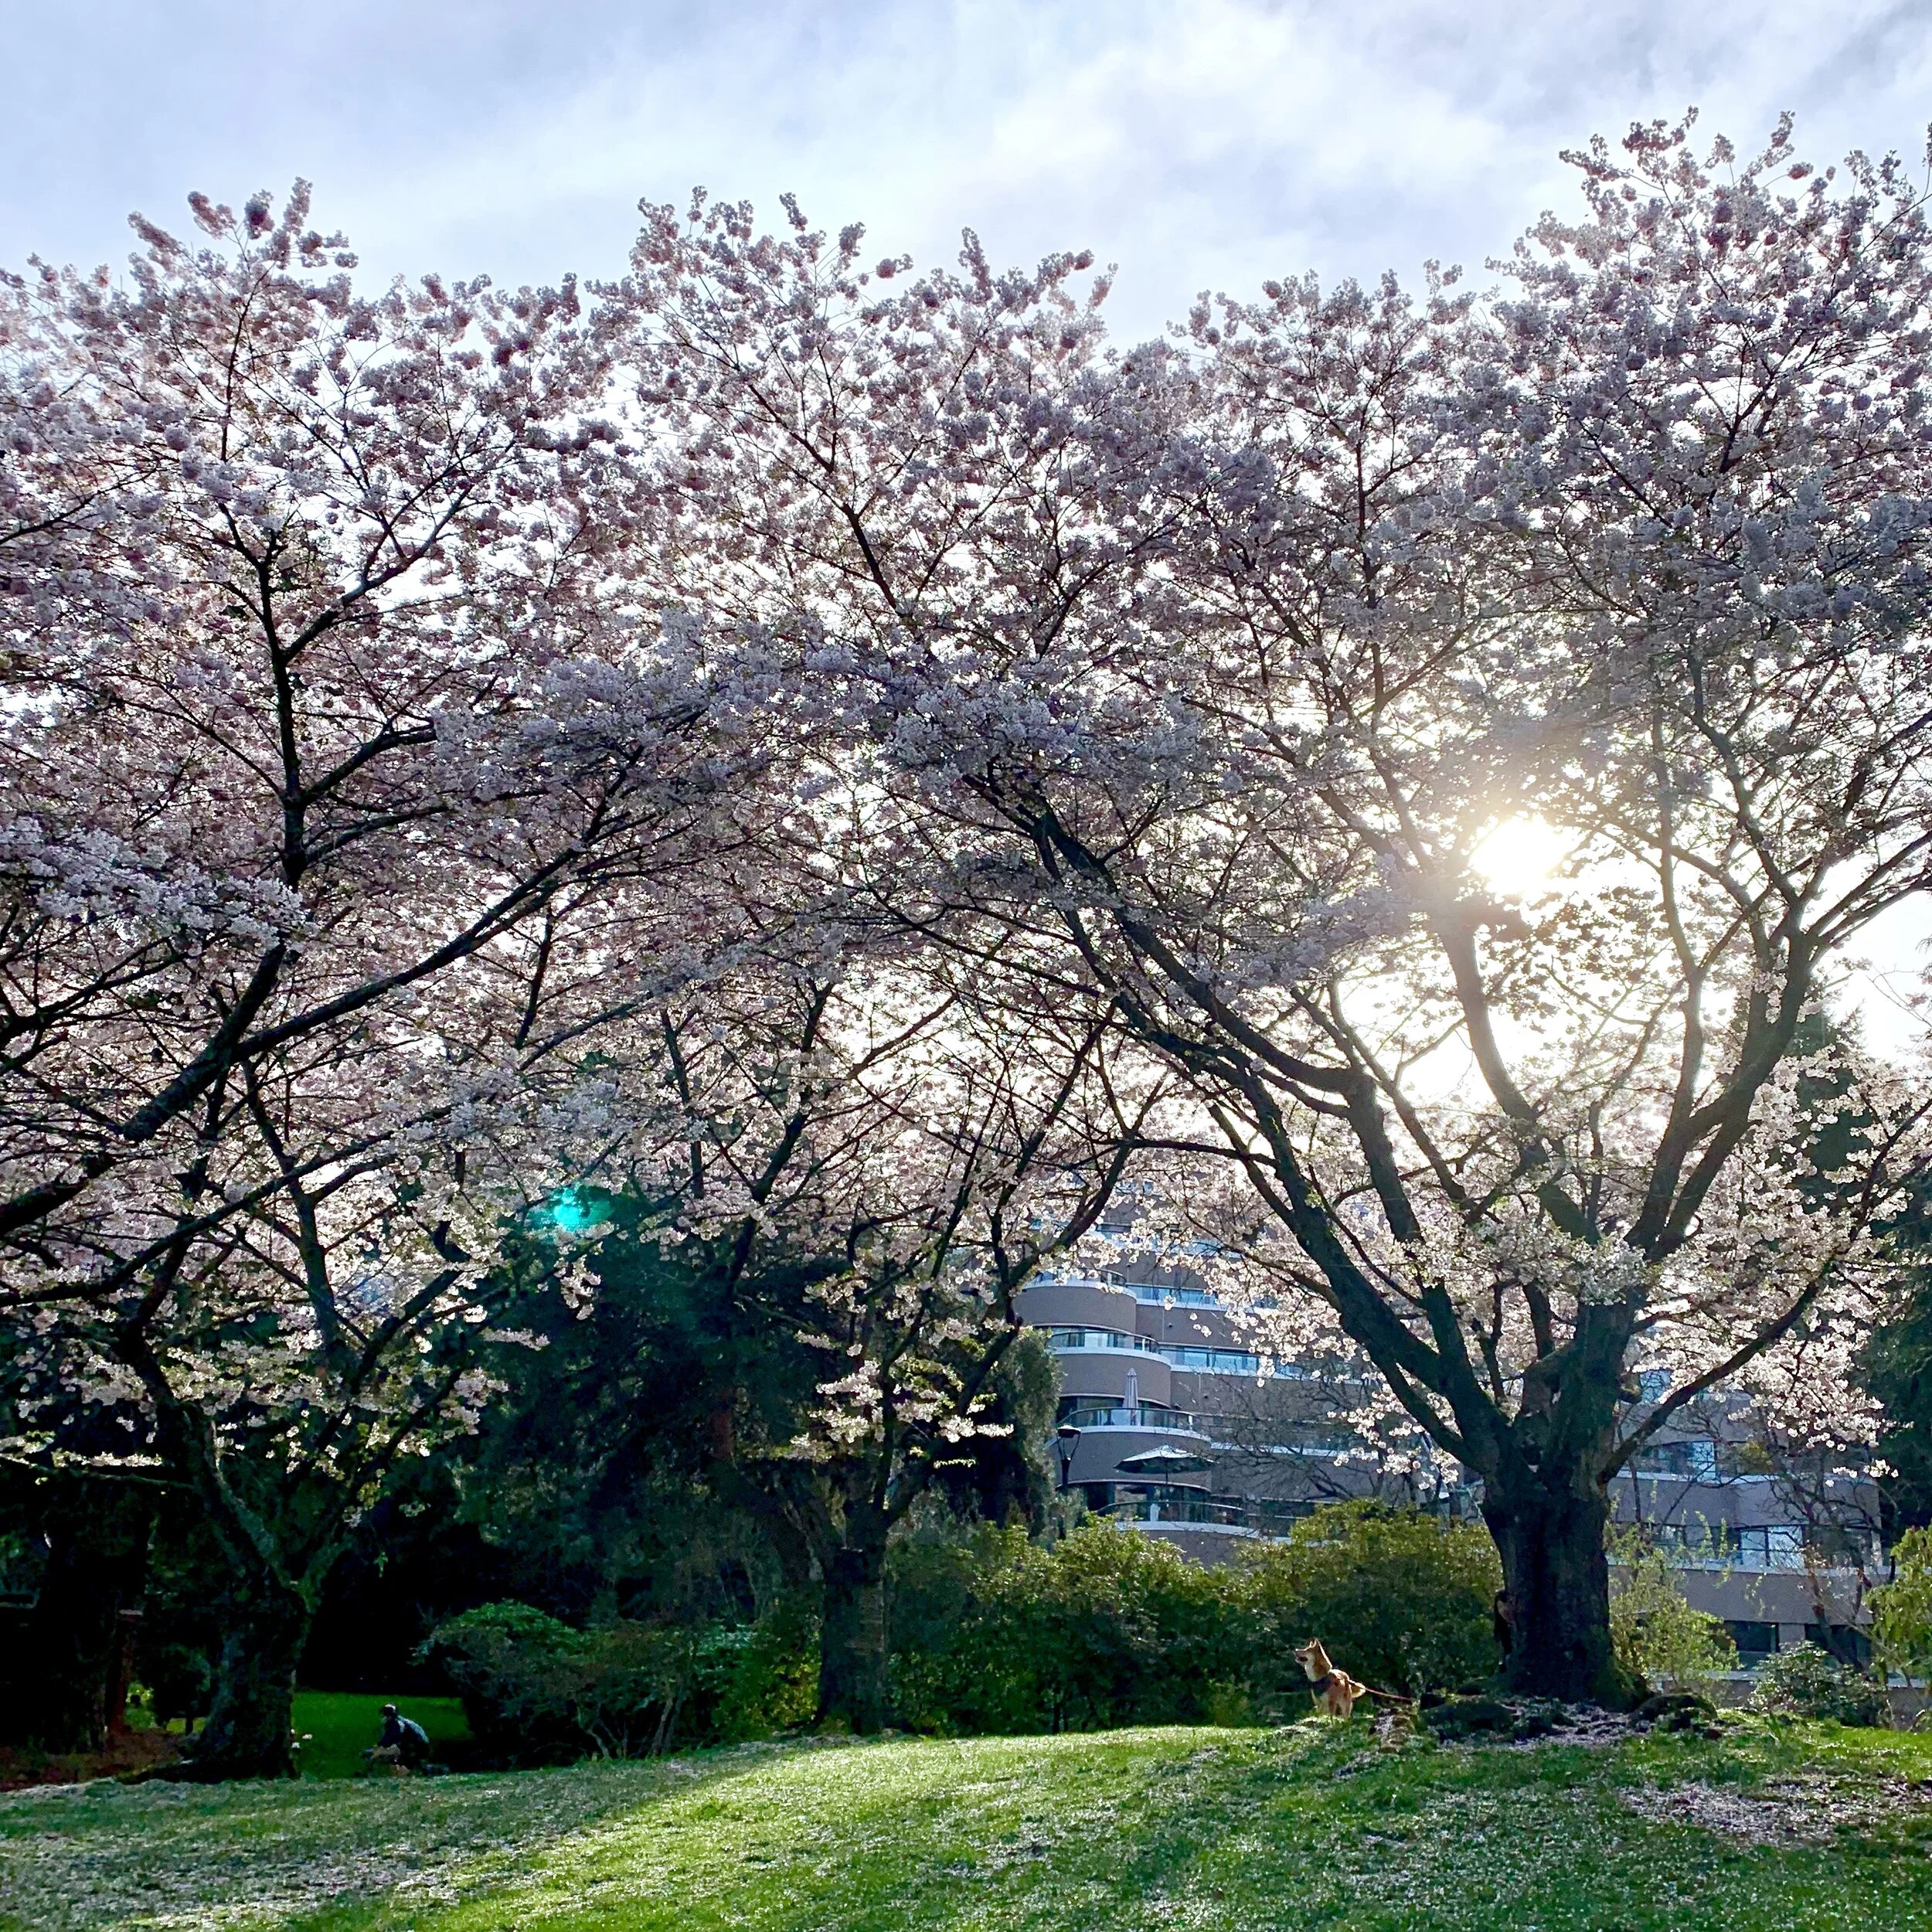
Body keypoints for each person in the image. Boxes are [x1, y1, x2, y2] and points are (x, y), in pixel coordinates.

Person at [367, 1702, 431, 1772]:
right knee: (409, 1762)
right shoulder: (398, 1721)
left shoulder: (397, 1723)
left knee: (397, 1757)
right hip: (418, 1744)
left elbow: (393, 1736)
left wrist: (379, 1746)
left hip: (418, 1745)